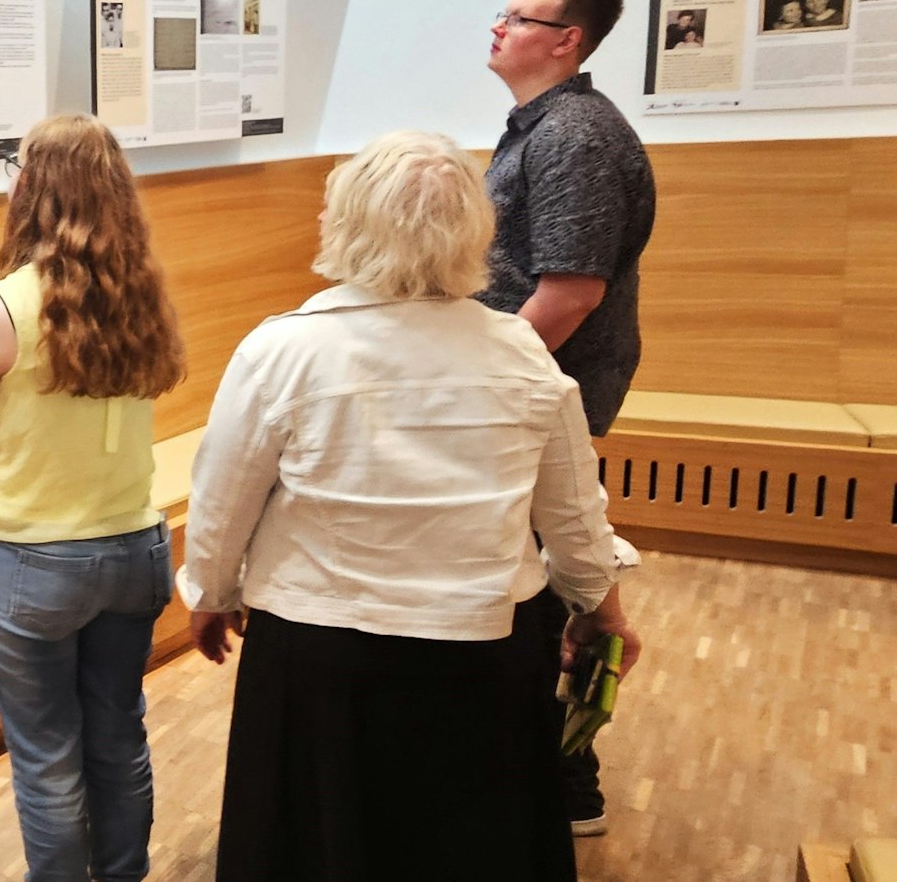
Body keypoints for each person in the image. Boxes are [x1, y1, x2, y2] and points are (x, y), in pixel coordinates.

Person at [182, 130, 642, 882]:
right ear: (476, 233)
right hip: (482, 657)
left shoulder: (282, 351)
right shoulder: (519, 352)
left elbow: (222, 500)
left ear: (343, 223)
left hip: (318, 654)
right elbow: (570, 512)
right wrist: (601, 610)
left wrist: (209, 594)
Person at [0, 113, 185, 882]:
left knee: (46, 757)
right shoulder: (144, 302)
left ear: (29, 189)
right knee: (117, 738)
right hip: (136, 548)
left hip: (30, 561)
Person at [483, 0, 655, 838]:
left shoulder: (574, 138)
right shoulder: (540, 126)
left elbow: (569, 294)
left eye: (517, 18)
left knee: (551, 591)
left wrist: (483, 387)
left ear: (566, 41)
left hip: (543, 395)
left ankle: (562, 787)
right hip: (528, 388)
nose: (497, 27)